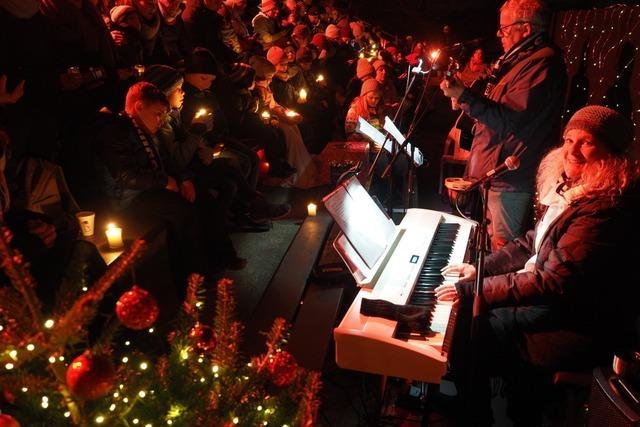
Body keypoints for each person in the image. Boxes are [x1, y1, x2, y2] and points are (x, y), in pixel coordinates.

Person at [435, 106, 640, 426]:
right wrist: (480, 270)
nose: (572, 150)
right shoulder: (576, 191)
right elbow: (532, 241)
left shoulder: (604, 208)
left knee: (477, 324)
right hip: (555, 304)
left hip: (576, 324)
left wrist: (473, 291)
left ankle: (474, 412)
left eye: (586, 143)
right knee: (472, 314)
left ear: (610, 154)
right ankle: (466, 399)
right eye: (569, 139)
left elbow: (552, 282)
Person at [440, 0, 567, 251]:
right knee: (488, 252)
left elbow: (509, 119)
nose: (500, 35)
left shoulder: (542, 64)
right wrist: (463, 95)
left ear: (526, 29)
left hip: (509, 180)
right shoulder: (515, 62)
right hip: (495, 175)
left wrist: (465, 97)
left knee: (503, 255)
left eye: (505, 29)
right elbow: (494, 106)